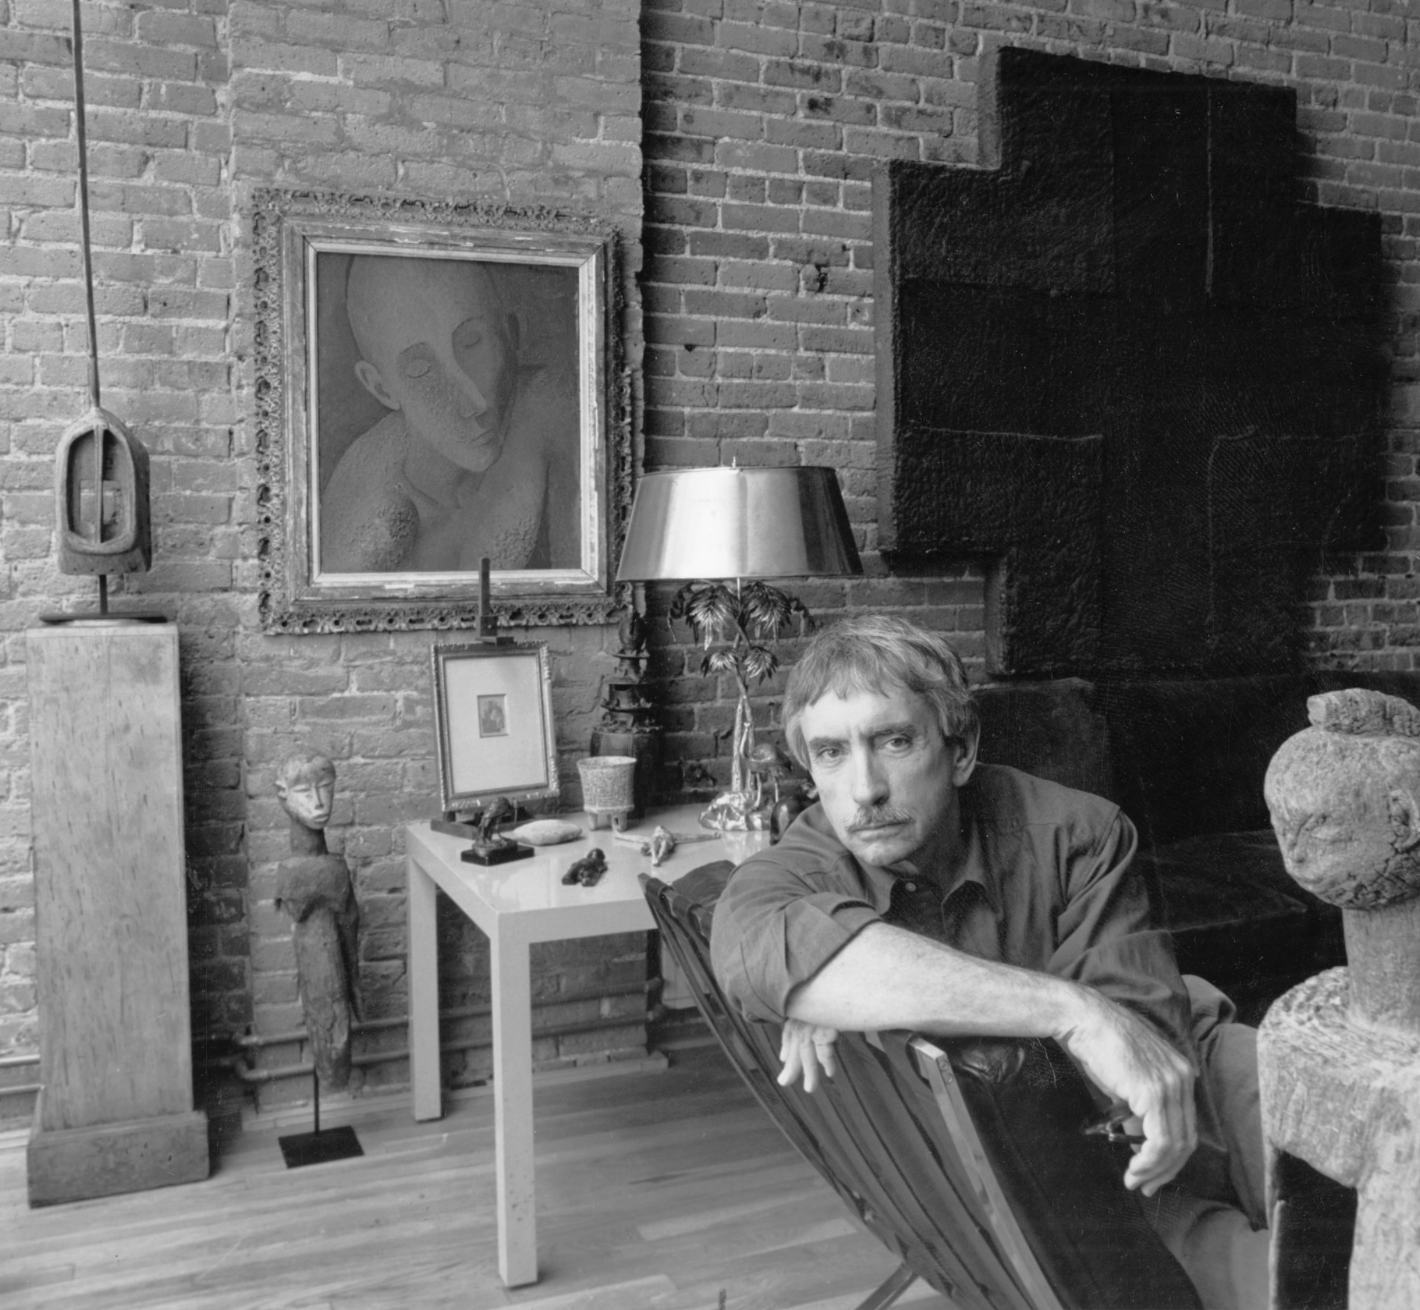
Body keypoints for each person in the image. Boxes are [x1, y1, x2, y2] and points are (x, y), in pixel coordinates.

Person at [710, 615, 1268, 1308]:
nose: (865, 789)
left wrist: (855, 982)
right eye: (830, 753)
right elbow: (753, 945)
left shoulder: (1079, 831)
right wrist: (1073, 1011)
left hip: (1191, 1075)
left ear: (962, 749)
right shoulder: (795, 870)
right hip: (1082, 1174)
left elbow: (1144, 1055)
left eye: (894, 741)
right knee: (1296, 1274)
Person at [320, 255, 579, 574]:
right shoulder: (370, 511)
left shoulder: (550, 404)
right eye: (421, 370)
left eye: (473, 343)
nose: (474, 403)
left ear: (510, 334)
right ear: (382, 388)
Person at [274, 752, 361, 1090]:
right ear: (283, 795)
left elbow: (350, 925)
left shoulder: (331, 868)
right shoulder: (295, 872)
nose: (318, 801)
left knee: (338, 1027)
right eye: (304, 792)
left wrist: (355, 983)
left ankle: (334, 1069)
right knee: (331, 1027)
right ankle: (331, 1070)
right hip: (318, 967)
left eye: (325, 787)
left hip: (334, 963)